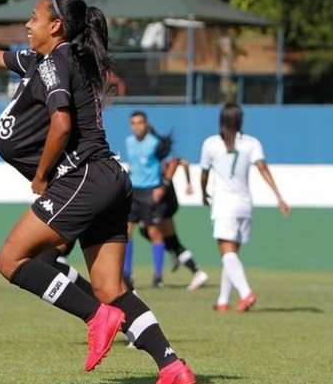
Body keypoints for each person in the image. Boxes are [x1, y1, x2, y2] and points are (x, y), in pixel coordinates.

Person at [0, 0, 195, 384]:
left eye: (33, 18)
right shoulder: (42, 62)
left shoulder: (58, 62)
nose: (27, 24)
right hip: (107, 179)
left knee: (12, 259)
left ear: (55, 26)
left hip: (83, 178)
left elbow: (60, 123)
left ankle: (97, 318)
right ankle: (171, 367)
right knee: (112, 287)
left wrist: (41, 176)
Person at [199, 102, 290, 312]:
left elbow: (203, 174)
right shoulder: (252, 143)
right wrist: (279, 197)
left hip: (224, 204)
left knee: (226, 253)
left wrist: (203, 193)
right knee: (232, 255)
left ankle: (246, 292)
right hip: (245, 204)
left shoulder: (211, 144)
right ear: (241, 121)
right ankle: (223, 301)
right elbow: (263, 168)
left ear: (221, 120)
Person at [137, 157, 209, 290]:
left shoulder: (157, 147)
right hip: (162, 197)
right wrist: (188, 182)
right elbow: (184, 163)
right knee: (166, 238)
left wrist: (167, 184)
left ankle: (159, 277)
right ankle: (195, 271)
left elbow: (177, 162)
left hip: (161, 197)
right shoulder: (150, 150)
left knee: (154, 233)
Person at [123, 111, 172, 288]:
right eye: (133, 123)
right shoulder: (129, 142)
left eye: (140, 122)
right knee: (126, 233)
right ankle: (127, 274)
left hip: (150, 193)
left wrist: (162, 186)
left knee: (154, 233)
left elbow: (169, 165)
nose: (136, 126)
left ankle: (158, 276)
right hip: (133, 193)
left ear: (146, 124)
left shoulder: (155, 143)